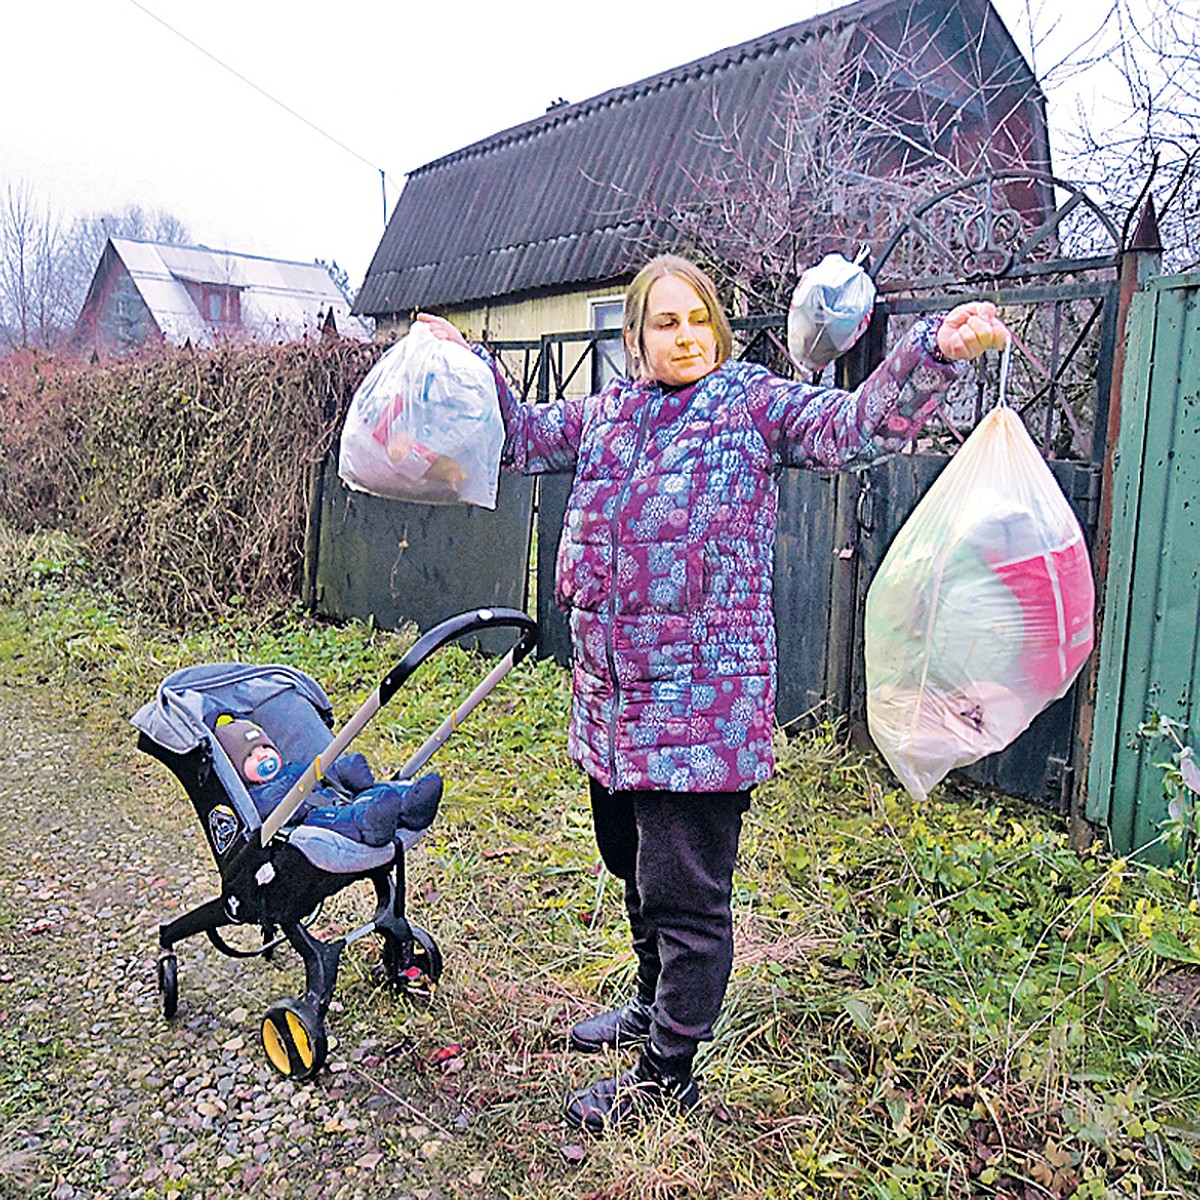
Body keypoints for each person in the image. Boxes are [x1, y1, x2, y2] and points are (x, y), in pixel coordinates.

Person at [418, 254, 1008, 1134]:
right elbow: (524, 435)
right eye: (665, 322)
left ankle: (667, 1075)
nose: (685, 335)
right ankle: (655, 1006)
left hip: (701, 714)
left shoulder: (750, 405)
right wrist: (464, 361)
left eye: (698, 318)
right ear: (636, 336)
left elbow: (855, 425)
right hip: (612, 706)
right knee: (632, 870)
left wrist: (936, 351)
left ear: (718, 329)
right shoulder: (609, 413)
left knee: (687, 899)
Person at [212, 716, 441, 846]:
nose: (262, 755)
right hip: (315, 821)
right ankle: (372, 824)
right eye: (250, 756)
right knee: (351, 816)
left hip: (340, 798)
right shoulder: (254, 796)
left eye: (265, 747)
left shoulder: (293, 768)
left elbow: (325, 775)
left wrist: (344, 771)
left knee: (380, 791)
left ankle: (410, 806)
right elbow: (272, 809)